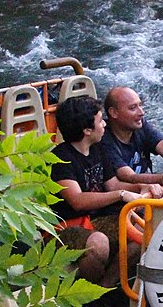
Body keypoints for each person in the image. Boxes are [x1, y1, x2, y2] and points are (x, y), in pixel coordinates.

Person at [51, 95, 157, 287]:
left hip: (95, 221)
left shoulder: (98, 149)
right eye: (100, 121)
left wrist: (141, 187)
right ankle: (83, 293)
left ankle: (105, 289)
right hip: (65, 228)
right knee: (99, 243)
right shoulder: (61, 158)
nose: (105, 126)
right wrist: (121, 195)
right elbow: (77, 200)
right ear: (87, 130)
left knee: (142, 230)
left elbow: (114, 185)